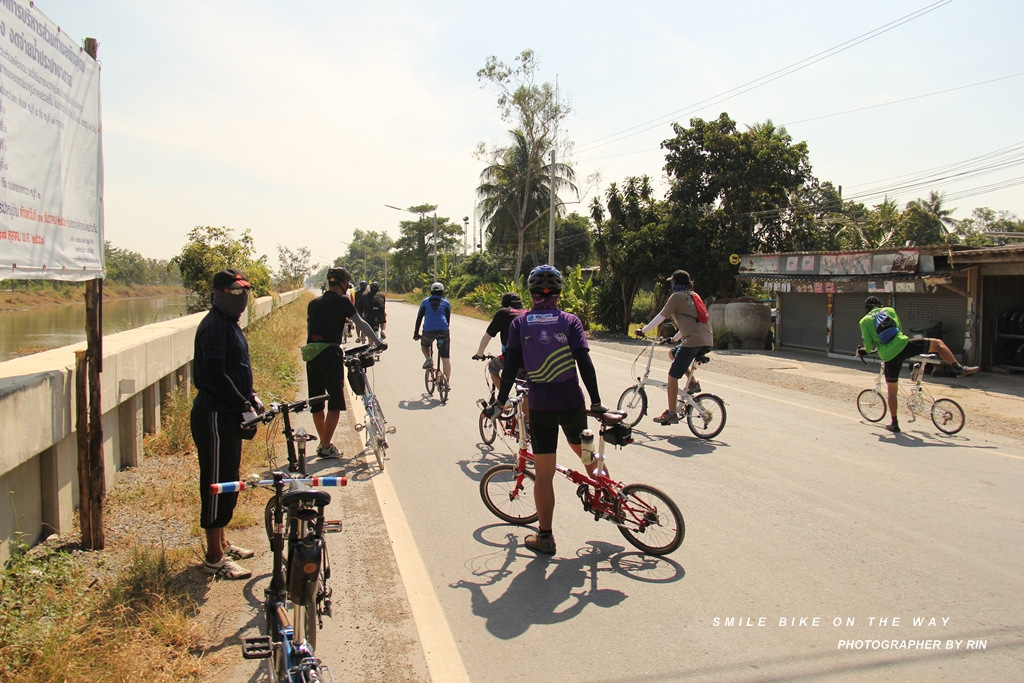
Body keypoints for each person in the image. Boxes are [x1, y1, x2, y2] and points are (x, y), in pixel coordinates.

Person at [485, 265, 607, 556]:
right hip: (572, 402)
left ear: (531, 293)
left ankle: (545, 537)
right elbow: (585, 364)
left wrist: (500, 401)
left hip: (540, 406)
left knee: (544, 474)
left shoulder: (520, 324)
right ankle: (607, 497)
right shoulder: (570, 321)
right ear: (559, 293)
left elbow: (510, 367)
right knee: (586, 453)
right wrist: (596, 401)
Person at [191, 268, 262, 580]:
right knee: (217, 483)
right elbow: (216, 375)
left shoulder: (229, 324)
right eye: (234, 292)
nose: (241, 297)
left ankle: (222, 542)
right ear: (219, 293)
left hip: (229, 414)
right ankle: (214, 558)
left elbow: (237, 369)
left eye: (244, 292)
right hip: (215, 415)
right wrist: (242, 404)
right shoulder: (214, 327)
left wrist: (252, 396)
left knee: (229, 479)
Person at [857, 295, 977, 433]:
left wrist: (864, 351)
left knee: (892, 391)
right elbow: (899, 329)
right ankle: (958, 368)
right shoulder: (889, 310)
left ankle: (894, 423)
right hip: (904, 346)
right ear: (880, 305)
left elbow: (869, 345)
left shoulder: (864, 321)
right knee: (937, 344)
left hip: (889, 357)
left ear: (866, 309)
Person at [305, 267, 385, 457]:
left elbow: (309, 328)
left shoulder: (313, 303)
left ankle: (325, 443)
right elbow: (360, 323)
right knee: (335, 402)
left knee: (317, 402)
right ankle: (325, 447)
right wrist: (378, 341)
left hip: (311, 354)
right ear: (344, 284)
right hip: (330, 354)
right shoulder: (342, 301)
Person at [636, 269, 713, 425]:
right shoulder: (694, 296)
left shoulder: (677, 297)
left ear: (676, 283)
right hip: (705, 339)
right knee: (673, 352)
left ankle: (671, 413)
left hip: (692, 341)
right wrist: (674, 339)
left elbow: (661, 316)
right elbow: (690, 324)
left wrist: (643, 330)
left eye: (672, 282)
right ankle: (693, 382)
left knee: (672, 377)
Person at [473, 291, 527, 389]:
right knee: (525, 389)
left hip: (512, 359)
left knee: (493, 367)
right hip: (530, 360)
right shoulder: (528, 313)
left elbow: (487, 337)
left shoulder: (503, 313)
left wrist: (479, 354)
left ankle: (504, 396)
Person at [413, 282, 452, 384]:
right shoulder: (446, 303)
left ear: (431, 291)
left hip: (428, 330)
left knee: (425, 345)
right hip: (443, 330)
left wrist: (416, 333)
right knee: (445, 358)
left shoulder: (425, 302)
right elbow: (447, 319)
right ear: (442, 292)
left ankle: (429, 358)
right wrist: (445, 332)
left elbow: (419, 318)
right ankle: (446, 383)